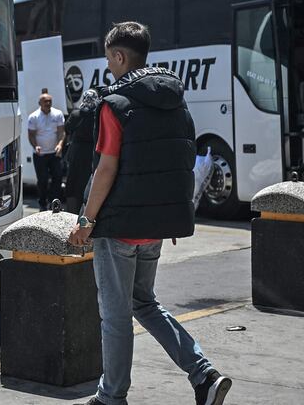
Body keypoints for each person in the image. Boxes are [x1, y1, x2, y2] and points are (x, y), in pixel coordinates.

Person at [69, 22, 232, 405]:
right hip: (154, 228)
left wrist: (86, 221)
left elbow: (105, 169)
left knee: (115, 317)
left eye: (109, 59)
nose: (108, 67)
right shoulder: (175, 101)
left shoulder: (116, 104)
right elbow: (179, 160)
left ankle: (111, 397)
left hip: (119, 228)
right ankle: (204, 375)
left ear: (119, 56)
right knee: (144, 302)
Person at [62, 88, 101, 215]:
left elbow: (67, 129)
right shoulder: (98, 115)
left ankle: (72, 209)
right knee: (89, 178)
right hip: (92, 151)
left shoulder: (76, 114)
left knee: (74, 179)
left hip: (77, 152)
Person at [28, 91, 66, 211]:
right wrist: (35, 146)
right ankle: (42, 203)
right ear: (40, 103)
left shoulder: (57, 114)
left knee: (57, 177)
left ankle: (54, 202)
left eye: (50, 101)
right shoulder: (34, 117)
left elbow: (61, 132)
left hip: (54, 153)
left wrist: (60, 144)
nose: (48, 103)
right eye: (45, 101)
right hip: (40, 154)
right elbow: (31, 135)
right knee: (42, 180)